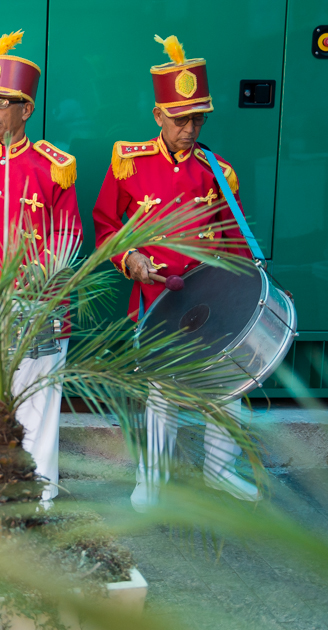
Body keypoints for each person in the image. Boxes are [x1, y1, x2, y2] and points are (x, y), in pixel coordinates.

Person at [92, 34, 258, 512]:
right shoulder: (129, 162)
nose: (189, 128)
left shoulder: (217, 170)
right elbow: (105, 225)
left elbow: (235, 241)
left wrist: (243, 290)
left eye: (198, 119)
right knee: (161, 393)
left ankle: (220, 470)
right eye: (180, 119)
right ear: (158, 116)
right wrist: (129, 259)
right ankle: (152, 480)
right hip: (157, 297)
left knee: (225, 386)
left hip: (211, 297)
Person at [0, 31, 81, 507]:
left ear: (27, 110)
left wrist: (31, 295)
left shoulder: (55, 166)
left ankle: (37, 502)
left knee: (38, 411)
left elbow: (68, 239)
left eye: (3, 103)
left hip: (37, 314)